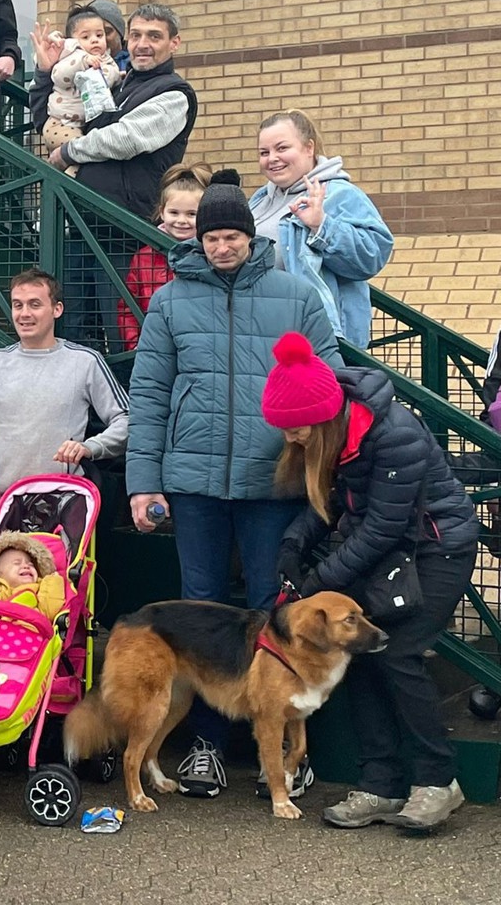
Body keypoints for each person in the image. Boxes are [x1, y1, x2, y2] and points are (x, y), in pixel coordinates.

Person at [126, 171, 342, 798]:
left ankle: (290, 755)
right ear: (199, 237)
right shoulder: (169, 300)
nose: (222, 246)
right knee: (200, 612)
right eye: (212, 236)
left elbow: (327, 377)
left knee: (274, 615)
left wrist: (308, 442)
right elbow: (151, 393)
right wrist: (144, 482)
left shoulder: (296, 296)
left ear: (251, 237)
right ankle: (207, 748)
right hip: (192, 484)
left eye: (232, 236)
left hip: (270, 482)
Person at [264, 332, 479, 833]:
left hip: (437, 545)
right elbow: (330, 505)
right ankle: (379, 784)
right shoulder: (331, 432)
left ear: (322, 418)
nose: (291, 439)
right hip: (385, 549)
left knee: (399, 653)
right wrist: (292, 545)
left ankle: (437, 780)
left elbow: (384, 526)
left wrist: (318, 583)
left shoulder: (393, 433)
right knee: (356, 655)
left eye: (296, 430)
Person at [35, 4, 199, 350]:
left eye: (154, 36)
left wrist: (69, 152)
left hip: (124, 233)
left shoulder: (175, 94)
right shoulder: (116, 85)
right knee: (72, 335)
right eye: (136, 35)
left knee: (121, 335)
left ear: (175, 43)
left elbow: (126, 139)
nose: (142, 44)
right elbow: (55, 119)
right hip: (80, 226)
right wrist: (43, 73)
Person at [0, 271, 129, 488]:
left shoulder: (85, 361)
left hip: (63, 499)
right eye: (18, 305)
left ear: (57, 309)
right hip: (3, 500)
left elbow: (126, 421)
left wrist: (91, 447)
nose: (24, 313)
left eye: (35, 304)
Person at [249, 109, 393, 347]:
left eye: (282, 148)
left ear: (309, 148)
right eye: (264, 152)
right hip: (262, 333)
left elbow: (373, 256)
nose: (272, 158)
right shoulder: (259, 199)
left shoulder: (339, 194)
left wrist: (322, 227)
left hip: (317, 340)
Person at [118, 162, 212, 351]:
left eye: (192, 214)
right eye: (174, 212)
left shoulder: (213, 254)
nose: (181, 221)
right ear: (162, 212)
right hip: (155, 348)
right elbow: (128, 307)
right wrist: (135, 344)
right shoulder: (143, 257)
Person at [39, 8, 123, 158]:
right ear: (73, 41)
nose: (95, 40)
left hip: (81, 126)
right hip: (60, 123)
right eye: (86, 37)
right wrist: (83, 62)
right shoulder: (72, 57)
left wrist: (118, 76)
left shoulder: (107, 61)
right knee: (82, 154)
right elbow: (59, 76)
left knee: (77, 162)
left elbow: (110, 77)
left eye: (99, 35)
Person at [0, 535, 67, 621]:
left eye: (31, 564)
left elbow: (50, 612)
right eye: (17, 563)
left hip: (25, 640)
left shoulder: (39, 591)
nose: (26, 566)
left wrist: (52, 580)